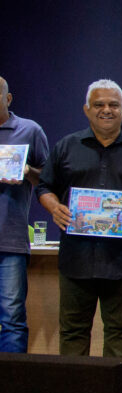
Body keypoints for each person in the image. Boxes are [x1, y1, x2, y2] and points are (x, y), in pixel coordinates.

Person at [37, 79, 122, 357]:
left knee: (119, 330)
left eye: (113, 105)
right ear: (86, 109)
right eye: (99, 104)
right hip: (76, 258)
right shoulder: (66, 147)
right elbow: (45, 186)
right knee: (73, 331)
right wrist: (54, 207)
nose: (106, 110)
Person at [0, 76, 49, 353]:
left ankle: (9, 390)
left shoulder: (29, 130)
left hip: (9, 242)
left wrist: (26, 170)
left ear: (8, 99)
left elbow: (49, 179)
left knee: (12, 318)